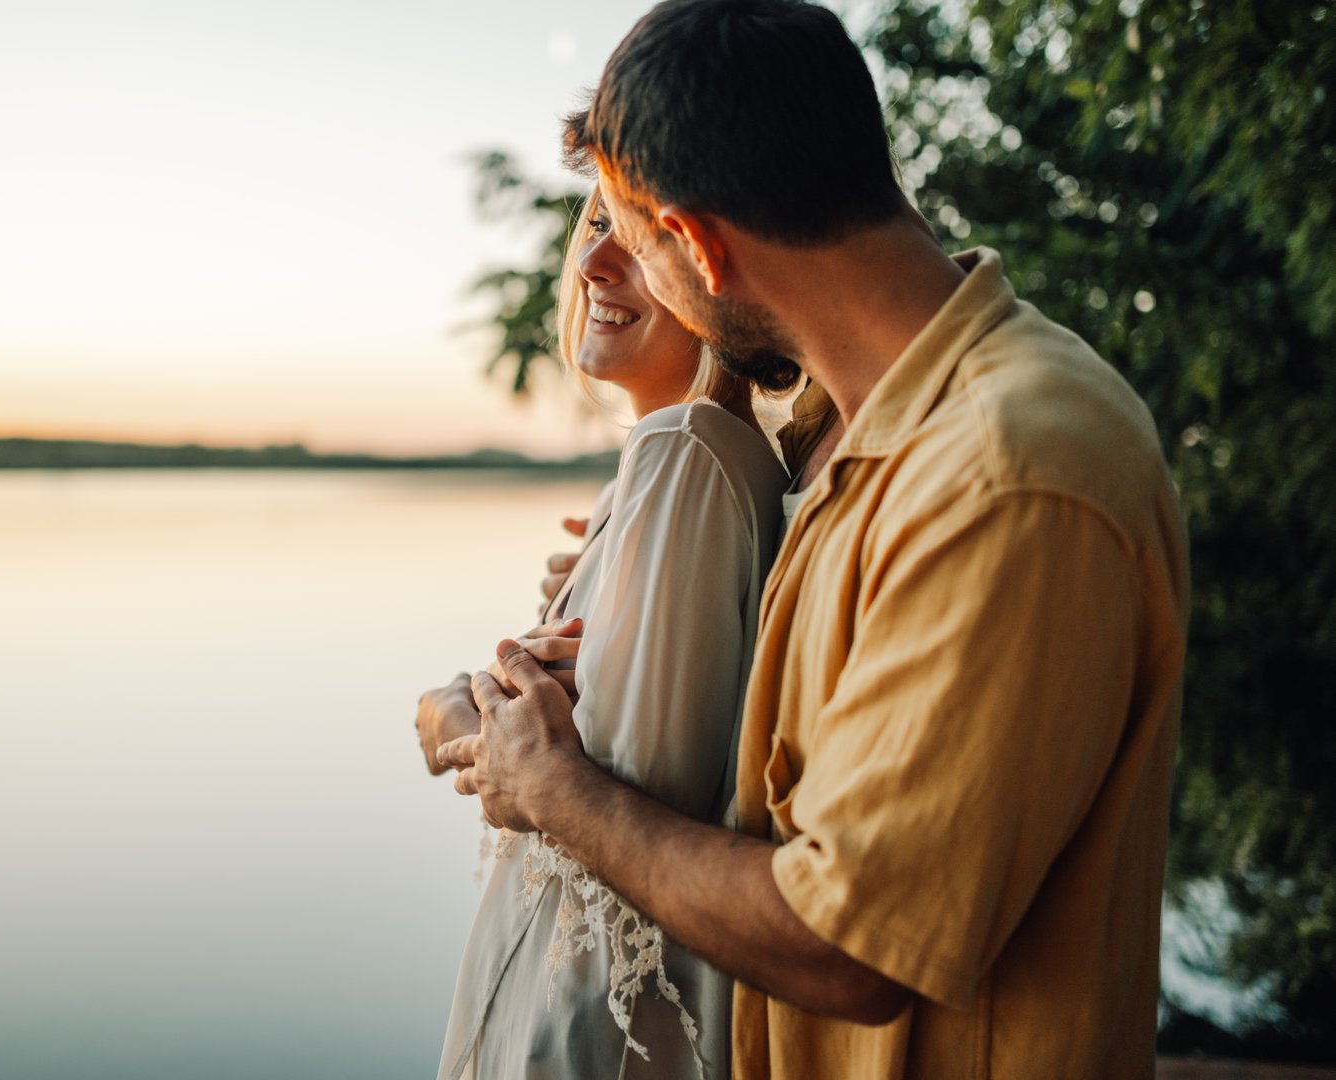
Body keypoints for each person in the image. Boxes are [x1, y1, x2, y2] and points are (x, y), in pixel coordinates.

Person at [437, 2, 1190, 1078]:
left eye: (638, 241)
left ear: (695, 244)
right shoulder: (832, 435)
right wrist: (635, 585)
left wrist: (555, 791)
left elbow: (849, 945)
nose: (624, 272)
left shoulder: (1007, 473)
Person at [419, 185, 791, 1079]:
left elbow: (620, 803)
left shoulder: (686, 451)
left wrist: (458, 716)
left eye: (637, 236)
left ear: (711, 265)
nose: (592, 265)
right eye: (595, 226)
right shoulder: (666, 466)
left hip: (594, 1032)